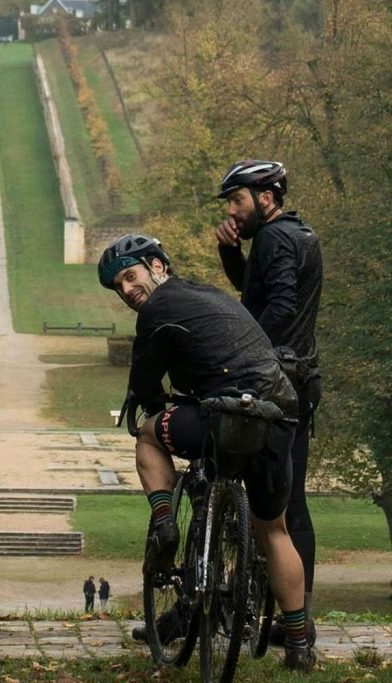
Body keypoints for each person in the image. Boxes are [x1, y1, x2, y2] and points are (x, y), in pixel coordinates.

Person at [98, 234, 315, 672]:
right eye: (117, 287)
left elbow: (144, 386)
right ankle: (298, 646)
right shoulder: (212, 295)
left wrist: (156, 408)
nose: (126, 290)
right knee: (274, 532)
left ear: (158, 266)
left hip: (225, 415)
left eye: (129, 275)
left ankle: (164, 524)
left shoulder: (158, 310)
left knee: (147, 435)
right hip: (279, 415)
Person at [215, 160, 322, 645]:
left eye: (238, 200)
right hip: (301, 377)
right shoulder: (296, 235)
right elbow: (261, 293)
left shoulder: (276, 239)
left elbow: (277, 307)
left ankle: (239, 606)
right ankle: (294, 618)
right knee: (292, 503)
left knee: (265, 500)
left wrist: (242, 351)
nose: (234, 211)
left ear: (267, 196)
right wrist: (231, 255)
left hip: (278, 380)